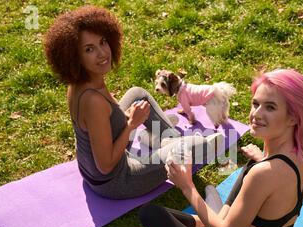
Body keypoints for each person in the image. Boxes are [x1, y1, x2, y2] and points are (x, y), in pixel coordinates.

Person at [139, 69, 303, 227]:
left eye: (270, 107)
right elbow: (270, 184)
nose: (256, 113)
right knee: (252, 165)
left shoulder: (263, 174)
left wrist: (187, 186)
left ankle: (210, 225)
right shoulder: (298, 158)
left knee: (150, 214)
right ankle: (211, 219)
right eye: (255, 104)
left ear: (294, 116)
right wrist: (260, 162)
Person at [44, 6, 221, 199]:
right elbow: (105, 166)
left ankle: (161, 139)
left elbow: (106, 122)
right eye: (89, 49)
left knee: (138, 94)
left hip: (93, 169)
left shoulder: (81, 82)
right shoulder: (93, 102)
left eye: (102, 42)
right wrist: (130, 125)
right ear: (74, 57)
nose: (102, 53)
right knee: (195, 145)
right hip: (118, 181)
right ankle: (170, 141)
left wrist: (128, 121)